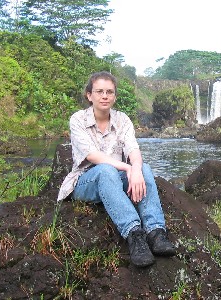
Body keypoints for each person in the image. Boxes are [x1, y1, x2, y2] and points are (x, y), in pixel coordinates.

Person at [57, 71, 176, 267]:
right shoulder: (78, 119)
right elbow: (92, 156)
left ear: (115, 96)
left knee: (143, 168)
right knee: (106, 170)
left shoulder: (122, 120)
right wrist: (128, 168)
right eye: (99, 91)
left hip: (114, 179)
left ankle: (156, 233)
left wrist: (135, 169)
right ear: (89, 95)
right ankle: (135, 235)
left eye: (109, 92)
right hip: (86, 181)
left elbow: (133, 149)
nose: (105, 96)